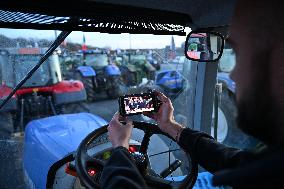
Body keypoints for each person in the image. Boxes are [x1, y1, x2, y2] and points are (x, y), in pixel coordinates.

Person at [100, 0, 284, 188]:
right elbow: (234, 161)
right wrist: (170, 125)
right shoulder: (271, 166)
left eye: (238, 52)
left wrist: (120, 148)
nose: (234, 75)